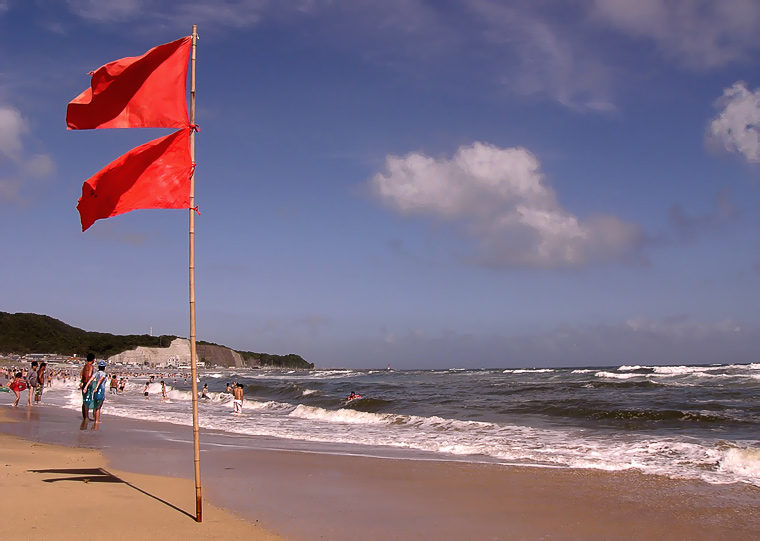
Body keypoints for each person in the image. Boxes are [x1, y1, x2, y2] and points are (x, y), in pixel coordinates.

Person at [85, 360, 108, 426]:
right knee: (98, 407)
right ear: (104, 367)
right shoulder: (103, 374)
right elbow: (101, 380)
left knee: (96, 405)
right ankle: (96, 420)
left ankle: (95, 418)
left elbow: (90, 380)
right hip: (100, 390)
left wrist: (86, 387)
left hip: (95, 391)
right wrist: (97, 387)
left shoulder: (96, 373)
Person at [80, 354, 96, 420]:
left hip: (84, 384)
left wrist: (82, 382)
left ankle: (85, 417)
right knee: (87, 400)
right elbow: (89, 375)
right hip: (88, 384)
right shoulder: (91, 366)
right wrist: (90, 383)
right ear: (93, 360)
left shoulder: (85, 366)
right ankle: (86, 417)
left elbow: (81, 375)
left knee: (84, 401)